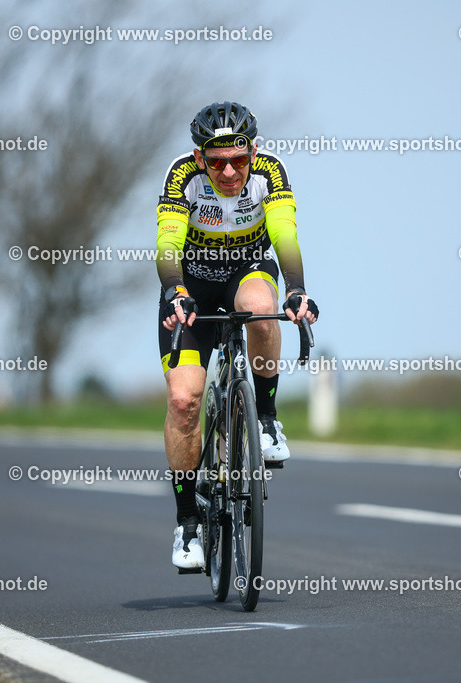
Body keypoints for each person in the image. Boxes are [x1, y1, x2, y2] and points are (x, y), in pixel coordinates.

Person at [156, 101, 318, 570]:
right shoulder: (182, 176)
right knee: (183, 401)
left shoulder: (270, 173)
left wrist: (296, 289)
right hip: (193, 287)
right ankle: (188, 524)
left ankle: (265, 419)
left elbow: (283, 234)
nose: (229, 171)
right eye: (217, 161)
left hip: (248, 271)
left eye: (239, 159)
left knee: (263, 309)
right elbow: (168, 243)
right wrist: (175, 292)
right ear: (199, 157)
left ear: (254, 152)